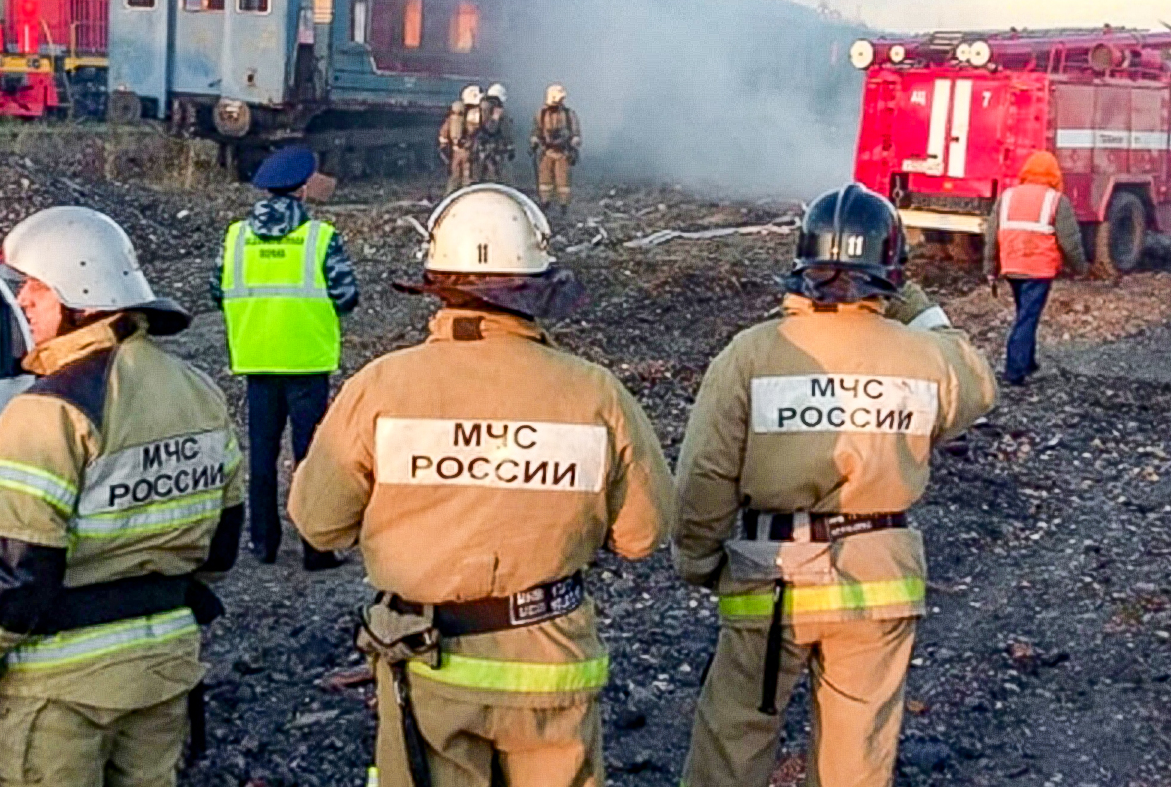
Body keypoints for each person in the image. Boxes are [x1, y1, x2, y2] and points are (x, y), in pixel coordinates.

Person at [289, 183, 675, 787]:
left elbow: (318, 521)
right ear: (535, 287)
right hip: (552, 663)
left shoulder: (382, 387)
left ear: (437, 282)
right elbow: (644, 533)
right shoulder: (594, 392)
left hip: (428, 666)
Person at [675, 184, 996, 787]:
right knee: (857, 759)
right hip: (880, 578)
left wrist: (698, 558)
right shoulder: (926, 358)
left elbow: (706, 473)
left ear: (802, 267)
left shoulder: (751, 355)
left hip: (770, 575)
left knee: (734, 741)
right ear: (891, 272)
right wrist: (910, 300)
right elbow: (975, 378)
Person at [0, 206, 245, 787]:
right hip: (164, 670)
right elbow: (221, 544)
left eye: (37, 294)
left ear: (81, 301)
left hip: (59, 692)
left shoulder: (51, 409)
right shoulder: (200, 392)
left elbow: (10, 570)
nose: (26, 309)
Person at [215, 145, 358, 570]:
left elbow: (215, 289)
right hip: (307, 362)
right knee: (309, 457)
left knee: (261, 454)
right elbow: (346, 295)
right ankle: (315, 548)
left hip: (257, 360)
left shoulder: (236, 237)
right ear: (302, 188)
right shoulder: (321, 238)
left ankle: (263, 544)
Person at [981, 151, 1086, 386]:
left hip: (1011, 266)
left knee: (1024, 314)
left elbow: (991, 235)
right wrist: (1081, 268)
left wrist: (990, 268)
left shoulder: (1007, 197)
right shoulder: (1056, 200)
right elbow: (1070, 240)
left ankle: (1028, 362)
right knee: (1027, 318)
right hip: (1039, 269)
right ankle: (1014, 371)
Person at [530, 84, 581, 217]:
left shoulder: (569, 114)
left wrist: (575, 140)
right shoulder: (541, 114)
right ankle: (545, 203)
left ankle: (563, 205)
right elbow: (537, 130)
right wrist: (534, 140)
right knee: (544, 181)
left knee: (563, 182)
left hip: (563, 152)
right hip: (546, 152)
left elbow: (575, 131)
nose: (560, 101)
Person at [474, 82, 514, 184]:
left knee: (478, 175)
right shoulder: (497, 111)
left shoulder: (480, 108)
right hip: (495, 147)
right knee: (497, 176)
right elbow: (500, 129)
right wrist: (510, 147)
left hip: (480, 146)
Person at [439, 100, 471, 192]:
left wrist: (444, 148)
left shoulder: (449, 121)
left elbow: (443, 135)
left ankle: (450, 196)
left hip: (456, 153)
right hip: (466, 152)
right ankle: (467, 195)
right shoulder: (467, 120)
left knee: (454, 176)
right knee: (467, 176)